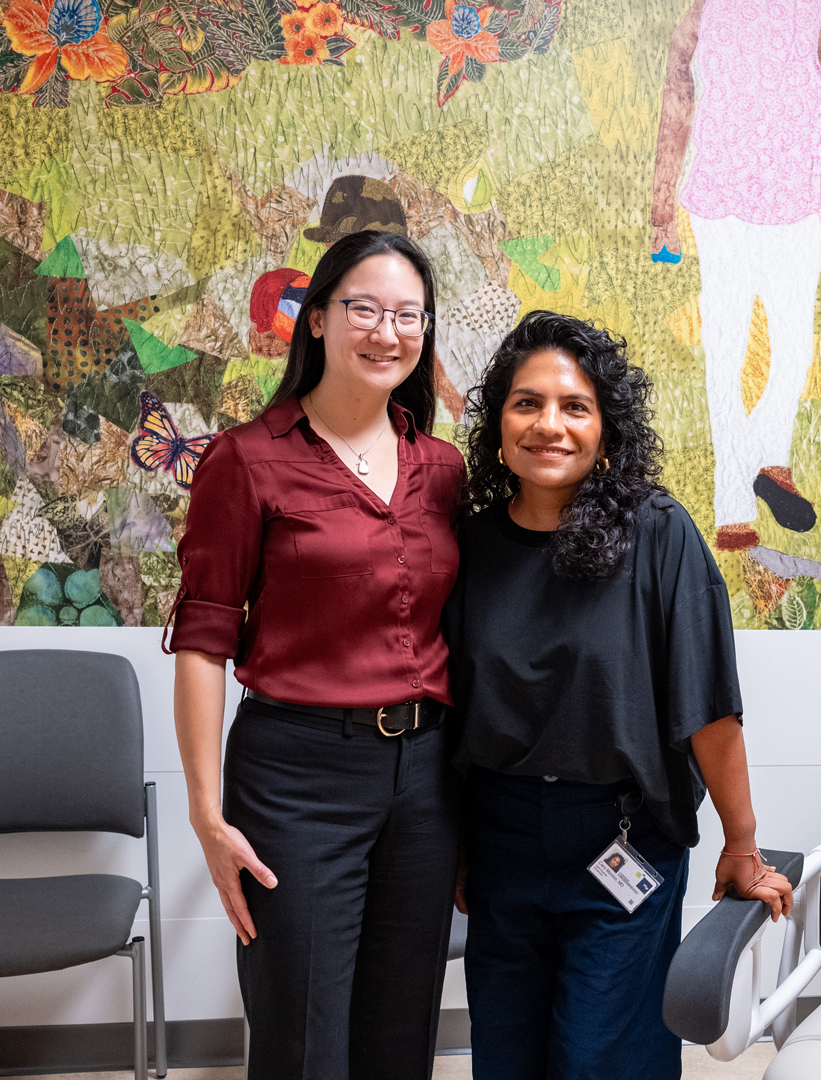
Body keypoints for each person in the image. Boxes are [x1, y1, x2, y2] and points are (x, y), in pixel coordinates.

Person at [445, 310, 794, 1080]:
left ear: (607, 427)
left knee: (602, 1057)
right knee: (508, 1054)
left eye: (576, 407)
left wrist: (742, 843)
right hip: (500, 838)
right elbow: (455, 713)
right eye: (526, 403)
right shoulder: (468, 546)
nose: (550, 426)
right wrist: (461, 843)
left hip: (620, 838)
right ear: (498, 421)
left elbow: (709, 708)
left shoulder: (659, 534)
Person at [168, 229, 465, 1080]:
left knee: (401, 1023)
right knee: (302, 1032)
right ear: (317, 321)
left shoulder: (441, 469)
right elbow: (203, 639)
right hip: (295, 777)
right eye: (364, 309)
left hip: (427, 775)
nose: (387, 332)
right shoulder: (247, 459)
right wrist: (206, 812)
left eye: (409, 315)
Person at [650, 0, 821, 547]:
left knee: (734, 348)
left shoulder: (707, 14)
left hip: (732, 205)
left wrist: (663, 205)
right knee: (787, 347)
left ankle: (745, 490)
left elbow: (677, 102)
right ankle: (759, 471)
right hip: (785, 209)